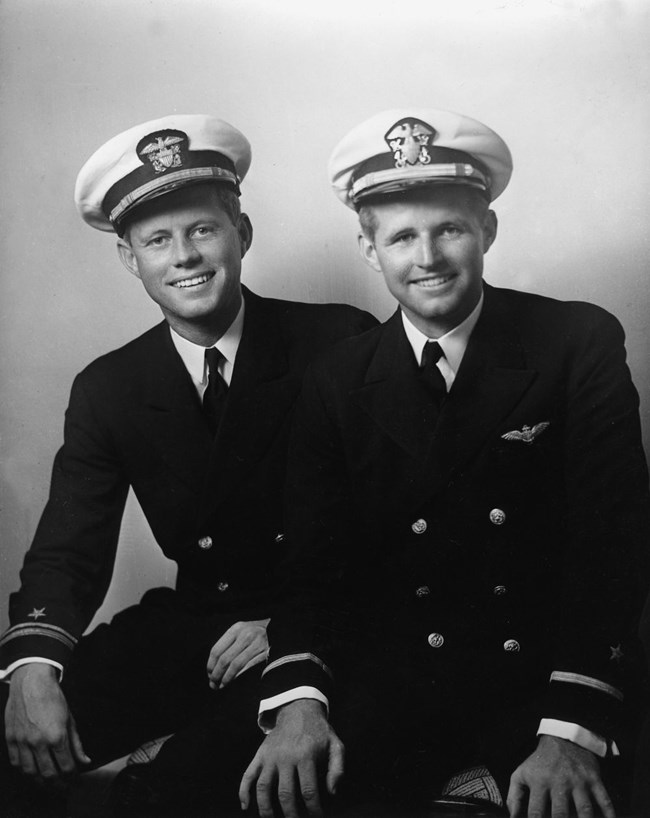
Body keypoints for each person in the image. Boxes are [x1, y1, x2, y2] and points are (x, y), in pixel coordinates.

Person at [239, 109, 650, 817]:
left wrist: (571, 730)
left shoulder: (575, 340)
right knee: (265, 796)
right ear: (370, 251)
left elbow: (611, 545)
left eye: (449, 229)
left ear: (487, 231)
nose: (426, 256)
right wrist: (300, 702)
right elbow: (312, 565)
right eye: (401, 236)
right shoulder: (337, 379)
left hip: (542, 679)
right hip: (396, 678)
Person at [0, 114, 376, 815]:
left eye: (203, 230)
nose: (185, 257)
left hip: (325, 622)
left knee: (168, 793)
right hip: (199, 624)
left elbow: (395, 523)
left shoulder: (337, 341)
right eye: (158, 240)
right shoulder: (110, 387)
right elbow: (68, 547)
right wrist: (32, 669)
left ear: (242, 233)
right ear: (129, 258)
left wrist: (284, 626)